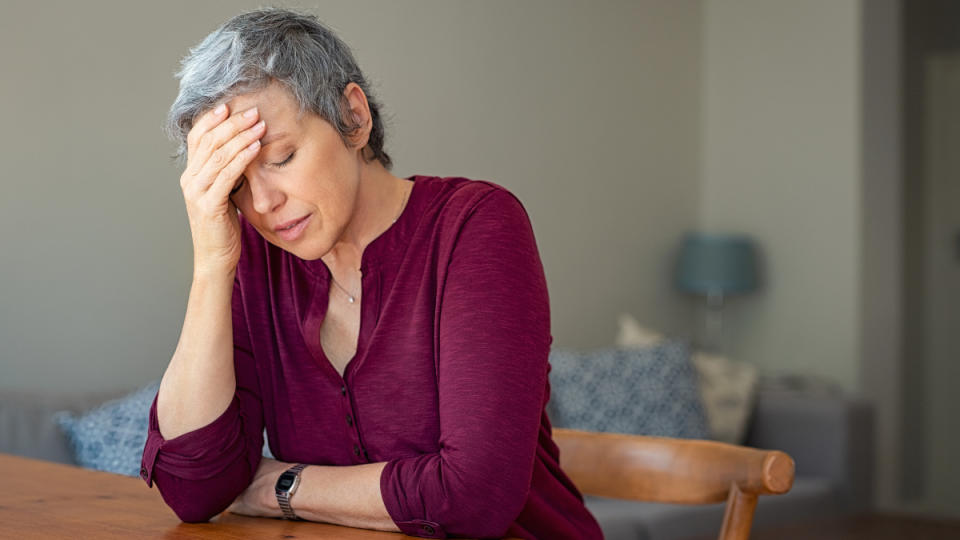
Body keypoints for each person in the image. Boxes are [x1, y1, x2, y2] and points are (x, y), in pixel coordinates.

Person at [139, 7, 603, 539]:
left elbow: (476, 496)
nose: (263, 203)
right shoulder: (255, 259)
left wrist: (278, 488)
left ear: (353, 117)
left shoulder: (475, 226)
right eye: (235, 185)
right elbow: (195, 490)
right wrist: (211, 267)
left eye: (282, 157)